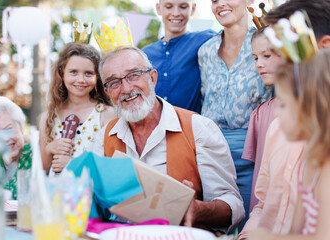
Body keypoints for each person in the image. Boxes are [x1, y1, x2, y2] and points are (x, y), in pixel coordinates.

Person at [93, 46, 244, 233]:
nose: (126, 88)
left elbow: (232, 206)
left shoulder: (198, 129)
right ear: (107, 92)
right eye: (114, 82)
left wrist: (198, 210)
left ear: (153, 78)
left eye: (133, 75)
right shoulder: (104, 137)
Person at [238, 1, 330, 238]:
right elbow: (263, 204)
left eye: (280, 51)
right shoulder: (278, 128)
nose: (269, 63)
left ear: (323, 47)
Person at [198, 0, 273, 228]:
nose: (221, 4)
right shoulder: (205, 51)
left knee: (252, 222)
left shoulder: (266, 44)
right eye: (214, 1)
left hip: (252, 153)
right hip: (209, 154)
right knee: (211, 226)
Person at [39, 43, 116, 175]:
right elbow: (42, 171)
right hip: (55, 193)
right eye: (73, 72)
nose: (81, 79)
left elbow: (111, 166)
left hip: (89, 193)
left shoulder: (106, 114)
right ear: (62, 73)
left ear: (97, 76)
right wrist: (48, 149)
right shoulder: (48, 118)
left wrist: (72, 164)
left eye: (88, 73)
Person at [142, 0, 216, 113]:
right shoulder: (144, 54)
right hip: (154, 127)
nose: (176, 13)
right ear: (158, 8)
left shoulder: (204, 40)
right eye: (168, 6)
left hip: (190, 126)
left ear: (192, 9)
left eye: (183, 6)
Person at [242, 29, 285, 212]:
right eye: (255, 58)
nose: (259, 64)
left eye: (267, 55)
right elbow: (259, 172)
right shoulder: (260, 114)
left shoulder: (313, 109)